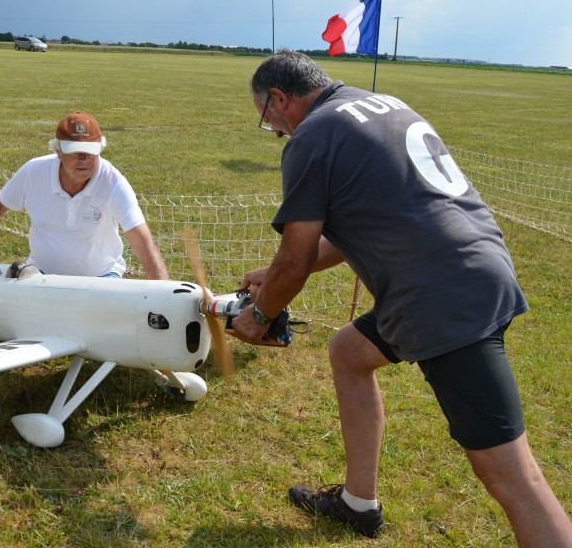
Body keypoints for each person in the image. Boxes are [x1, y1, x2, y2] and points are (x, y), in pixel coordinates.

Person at [228, 50, 572, 543]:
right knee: (348, 350)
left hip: (441, 298)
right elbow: (363, 225)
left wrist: (260, 315)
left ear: (280, 99)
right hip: (477, 268)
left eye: (269, 119)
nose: (277, 132)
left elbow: (297, 260)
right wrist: (273, 272)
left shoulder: (311, 137)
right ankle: (357, 502)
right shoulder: (383, 103)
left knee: (515, 478)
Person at [0, 112, 168, 282]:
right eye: (76, 152)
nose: (84, 159)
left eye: (91, 152)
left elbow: (142, 240)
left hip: (103, 278)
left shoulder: (113, 182)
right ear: (58, 151)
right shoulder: (33, 172)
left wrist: (164, 294)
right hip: (42, 275)